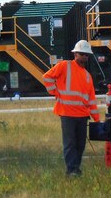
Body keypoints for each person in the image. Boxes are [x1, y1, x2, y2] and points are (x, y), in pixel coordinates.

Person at [43, 40, 100, 176]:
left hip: (82, 115)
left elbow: (91, 99)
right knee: (70, 144)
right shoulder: (64, 66)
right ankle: (72, 170)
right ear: (75, 54)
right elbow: (47, 78)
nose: (85, 57)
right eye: (82, 54)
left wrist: (96, 118)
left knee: (80, 145)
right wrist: (55, 92)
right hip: (67, 114)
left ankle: (76, 168)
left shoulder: (87, 76)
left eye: (87, 55)